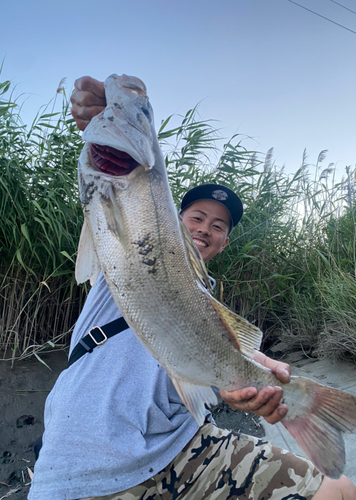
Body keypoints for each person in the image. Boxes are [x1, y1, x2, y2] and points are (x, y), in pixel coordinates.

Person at [27, 77, 356, 500]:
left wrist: (263, 378)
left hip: (184, 449)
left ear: (225, 241)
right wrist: (100, 115)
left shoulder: (207, 294)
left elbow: (214, 359)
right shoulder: (122, 247)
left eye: (219, 226)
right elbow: (120, 186)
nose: (205, 229)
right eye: (197, 217)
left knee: (340, 490)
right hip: (88, 458)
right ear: (174, 217)